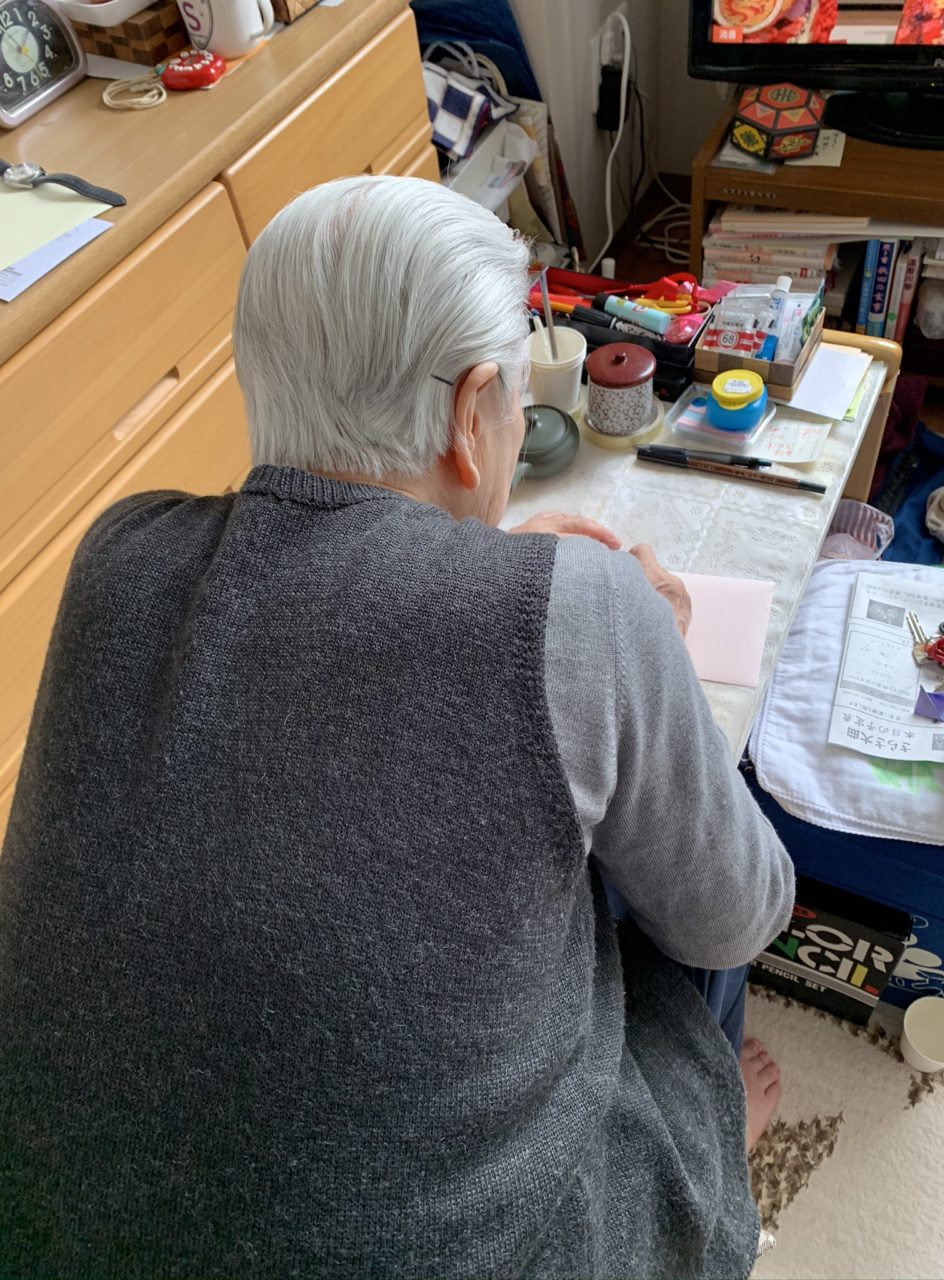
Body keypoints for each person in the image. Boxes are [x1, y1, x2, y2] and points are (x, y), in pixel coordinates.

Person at [0, 176, 792, 1279]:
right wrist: (645, 655)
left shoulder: (115, 557)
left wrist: (485, 565)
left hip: (63, 1236)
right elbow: (740, 914)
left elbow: (323, 635)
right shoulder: (591, 612)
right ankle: (705, 1165)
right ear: (474, 414)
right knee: (680, 896)